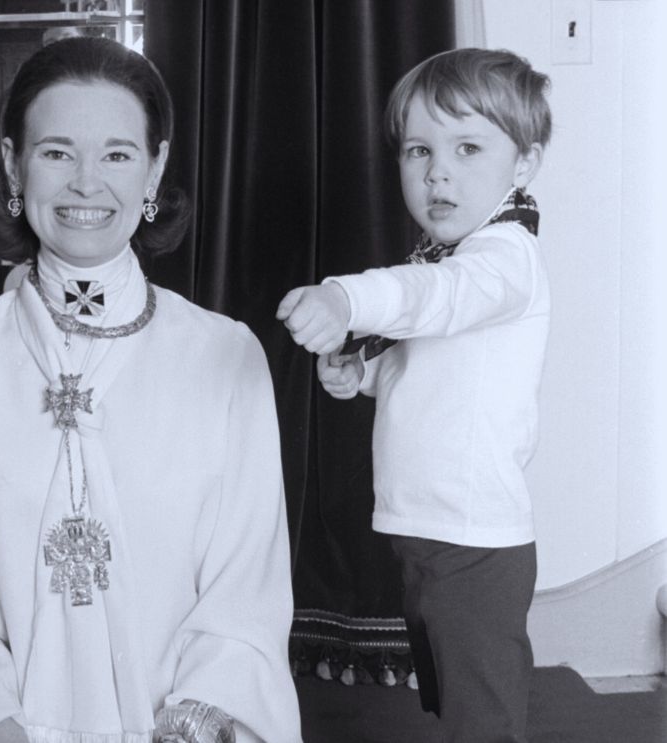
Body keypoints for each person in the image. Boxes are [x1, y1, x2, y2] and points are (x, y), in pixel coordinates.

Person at [0, 37, 301, 743]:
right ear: (12, 163)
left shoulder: (225, 356)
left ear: (156, 168)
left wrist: (194, 723)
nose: (87, 182)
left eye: (116, 153)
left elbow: (246, 595)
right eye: (57, 152)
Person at [276, 48, 551, 742]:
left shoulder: (501, 259)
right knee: (446, 688)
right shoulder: (450, 254)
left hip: (473, 538)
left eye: (467, 148)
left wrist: (345, 297)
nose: (437, 172)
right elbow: (426, 358)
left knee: (480, 708)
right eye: (418, 150)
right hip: (424, 525)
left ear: (523, 164)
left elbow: (428, 298)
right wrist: (364, 374)